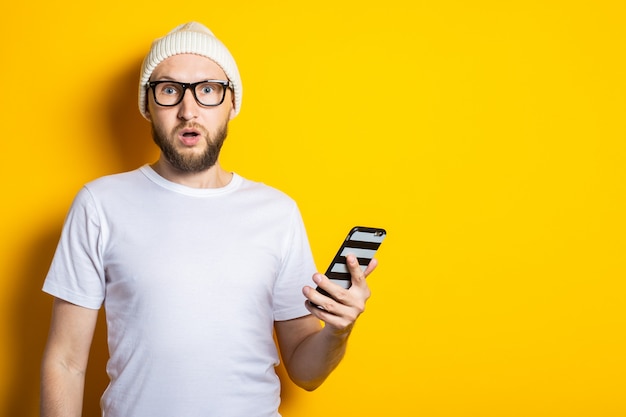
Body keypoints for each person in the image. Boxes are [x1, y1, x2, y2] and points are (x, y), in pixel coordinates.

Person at [40, 22, 378, 417]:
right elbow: (65, 362)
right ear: (147, 105)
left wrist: (340, 329)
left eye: (208, 90)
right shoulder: (99, 204)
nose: (189, 110)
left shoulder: (276, 211)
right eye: (169, 91)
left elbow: (306, 371)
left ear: (231, 103)